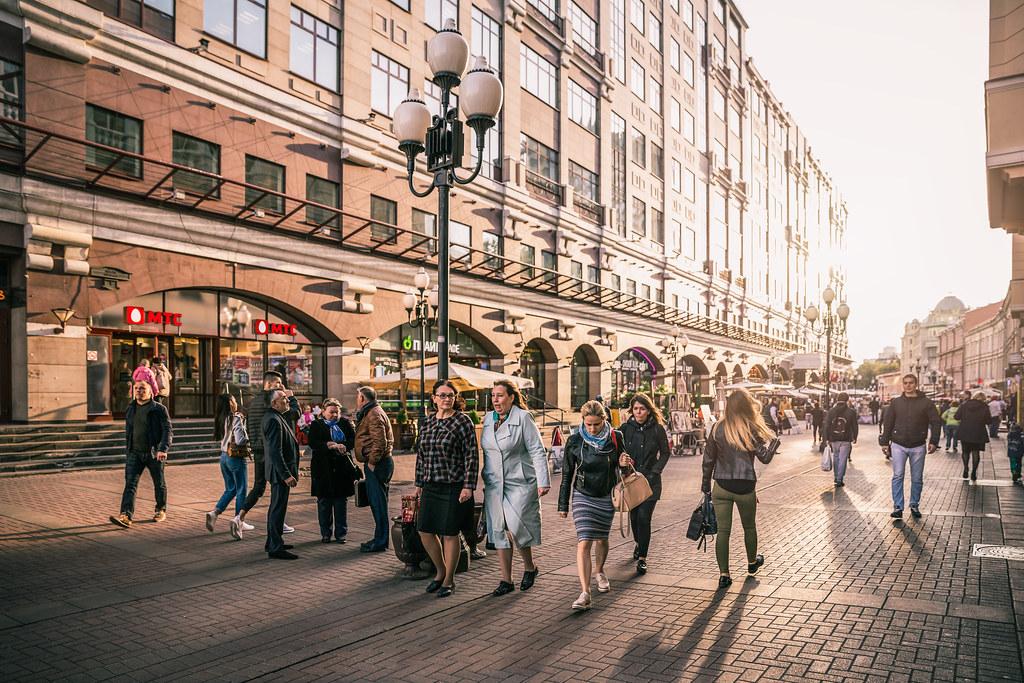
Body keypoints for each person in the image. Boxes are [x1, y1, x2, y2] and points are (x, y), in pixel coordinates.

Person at [557, 400, 631, 611]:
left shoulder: (616, 437)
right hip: (583, 494)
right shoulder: (574, 441)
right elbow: (566, 475)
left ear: (604, 420)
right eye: (588, 424)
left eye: (596, 424)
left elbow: (624, 471)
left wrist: (624, 465)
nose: (592, 428)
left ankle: (599, 570)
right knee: (584, 541)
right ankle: (585, 592)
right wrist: (563, 504)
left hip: (606, 495)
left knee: (602, 538)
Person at [700, 388, 778, 589]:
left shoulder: (717, 428)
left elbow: (708, 460)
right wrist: (774, 444)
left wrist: (706, 486)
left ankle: (724, 574)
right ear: (746, 406)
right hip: (745, 487)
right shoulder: (750, 429)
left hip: (722, 486)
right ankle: (752, 564)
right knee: (749, 527)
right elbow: (765, 457)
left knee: (723, 531)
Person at [480, 380, 549, 596]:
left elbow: (537, 450)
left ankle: (530, 567)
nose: (496, 400)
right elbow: (487, 451)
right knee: (498, 530)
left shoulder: (523, 418)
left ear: (512, 397)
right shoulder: (488, 419)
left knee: (517, 527)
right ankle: (506, 580)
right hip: (494, 483)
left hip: (519, 481)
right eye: (493, 396)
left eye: (500, 396)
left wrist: (543, 480)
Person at [415, 380, 479, 598]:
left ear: (455, 398)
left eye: (450, 395)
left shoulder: (463, 421)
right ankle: (440, 571)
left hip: (454, 486)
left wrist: (468, 486)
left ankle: (449, 579)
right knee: (424, 530)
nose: (446, 399)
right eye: (441, 395)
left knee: (450, 533)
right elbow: (421, 456)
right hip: (431, 484)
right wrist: (418, 484)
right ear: (434, 398)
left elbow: (472, 455)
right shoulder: (426, 422)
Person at [232, 371, 299, 540]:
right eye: (277, 383)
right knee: (278, 489)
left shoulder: (253, 402)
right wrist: (291, 397)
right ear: (268, 385)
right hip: (271, 451)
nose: (280, 386)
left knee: (260, 486)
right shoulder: (271, 403)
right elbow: (294, 415)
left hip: (258, 449)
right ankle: (273, 524)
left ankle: (240, 517)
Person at [619, 392, 670, 575]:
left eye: (642, 409)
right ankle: (639, 544)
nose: (639, 412)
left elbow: (665, 453)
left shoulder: (657, 429)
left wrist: (655, 471)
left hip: (650, 481)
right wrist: (622, 461)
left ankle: (642, 558)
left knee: (644, 518)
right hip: (631, 480)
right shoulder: (625, 428)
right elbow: (618, 451)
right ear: (632, 410)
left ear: (649, 410)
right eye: (636, 409)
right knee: (634, 518)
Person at [109, 380, 173, 528]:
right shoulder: (131, 408)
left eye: (143, 388)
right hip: (134, 453)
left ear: (150, 392)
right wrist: (128, 450)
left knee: (159, 483)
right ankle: (125, 515)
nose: (139, 391)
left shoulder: (159, 409)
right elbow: (129, 431)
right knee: (130, 484)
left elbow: (167, 430)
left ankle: (161, 510)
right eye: (136, 388)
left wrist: (163, 449)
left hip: (154, 453)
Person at [879, 374, 941, 519]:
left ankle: (914, 504)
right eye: (905, 383)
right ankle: (898, 507)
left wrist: (934, 441)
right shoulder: (896, 402)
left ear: (916, 384)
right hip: (898, 444)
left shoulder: (926, 403)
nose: (908, 385)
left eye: (911, 383)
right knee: (898, 475)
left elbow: (936, 422)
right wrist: (884, 442)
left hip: (918, 445)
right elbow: (888, 423)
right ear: (903, 384)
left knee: (917, 478)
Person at [308, 399, 359, 543]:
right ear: (323, 412)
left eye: (337, 412)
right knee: (324, 503)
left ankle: (341, 534)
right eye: (331, 412)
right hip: (323, 470)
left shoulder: (345, 423)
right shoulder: (316, 425)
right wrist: (327, 445)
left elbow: (353, 440)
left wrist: (343, 445)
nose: (335, 415)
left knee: (340, 503)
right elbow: (312, 443)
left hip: (341, 470)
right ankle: (325, 533)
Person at [353, 386, 395, 552]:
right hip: (379, 463)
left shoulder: (373, 414)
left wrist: (372, 462)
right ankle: (379, 538)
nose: (356, 400)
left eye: (358, 397)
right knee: (378, 504)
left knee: (378, 504)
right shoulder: (373, 411)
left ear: (363, 398)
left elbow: (380, 441)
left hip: (378, 464)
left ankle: (380, 541)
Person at [264, 389, 300, 559]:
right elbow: (275, 452)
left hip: (280, 472)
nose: (287, 400)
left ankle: (274, 541)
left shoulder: (277, 416)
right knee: (277, 509)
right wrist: (286, 474)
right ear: (274, 404)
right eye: (284, 398)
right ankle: (275, 547)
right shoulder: (273, 419)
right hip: (279, 474)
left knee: (277, 508)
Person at [205, 394, 249, 533]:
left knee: (231, 488)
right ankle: (239, 520)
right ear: (230, 403)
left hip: (223, 457)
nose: (236, 403)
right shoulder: (235, 417)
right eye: (234, 400)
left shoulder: (220, 418)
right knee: (241, 489)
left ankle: (215, 513)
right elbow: (241, 440)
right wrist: (246, 432)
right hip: (235, 457)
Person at [821, 392, 858, 487]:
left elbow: (827, 425)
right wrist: (855, 437)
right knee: (843, 459)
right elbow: (855, 425)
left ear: (837, 399)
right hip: (846, 439)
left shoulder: (831, 411)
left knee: (836, 457)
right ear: (847, 400)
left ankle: (836, 476)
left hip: (833, 438)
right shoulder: (851, 412)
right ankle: (839, 479)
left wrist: (826, 438)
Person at [954, 392, 991, 481]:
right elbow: (988, 421)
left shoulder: (964, 405)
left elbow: (956, 417)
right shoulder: (985, 406)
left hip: (965, 431)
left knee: (965, 452)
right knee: (976, 452)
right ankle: (974, 472)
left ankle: (966, 467)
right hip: (978, 433)